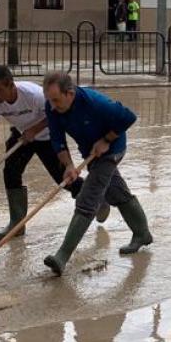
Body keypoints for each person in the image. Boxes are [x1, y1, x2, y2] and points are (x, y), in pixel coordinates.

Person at [42, 72, 152, 275]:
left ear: (70, 94)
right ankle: (142, 233)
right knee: (115, 192)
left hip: (112, 149)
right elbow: (57, 139)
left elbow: (128, 116)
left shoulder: (95, 102)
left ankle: (62, 256)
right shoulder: (53, 107)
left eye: (56, 99)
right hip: (90, 152)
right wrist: (68, 165)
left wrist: (107, 139)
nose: (52, 105)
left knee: (88, 197)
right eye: (49, 100)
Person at [0, 65, 93, 241]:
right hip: (22, 135)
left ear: (11, 84)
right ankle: (17, 224)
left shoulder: (34, 95)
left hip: (48, 135)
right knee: (10, 173)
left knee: (63, 178)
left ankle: (96, 199)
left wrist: (34, 130)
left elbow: (54, 115)